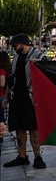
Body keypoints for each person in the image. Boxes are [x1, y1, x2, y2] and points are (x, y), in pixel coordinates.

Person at [3, 35, 48, 169]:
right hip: (16, 98)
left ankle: (38, 157)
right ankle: (22, 156)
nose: (13, 48)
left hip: (31, 99)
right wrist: (6, 98)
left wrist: (39, 65)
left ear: (23, 43)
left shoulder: (39, 56)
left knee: (33, 128)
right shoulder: (16, 58)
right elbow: (11, 79)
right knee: (19, 128)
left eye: (15, 45)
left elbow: (49, 72)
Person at [0, 51, 10, 140]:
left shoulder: (1, 71)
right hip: (2, 95)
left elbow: (2, 83)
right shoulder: (5, 69)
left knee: (0, 117)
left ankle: (1, 135)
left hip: (0, 95)